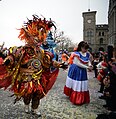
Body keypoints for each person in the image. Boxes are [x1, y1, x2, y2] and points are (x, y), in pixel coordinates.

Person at [0, 15, 67, 117]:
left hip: (38, 78)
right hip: (26, 78)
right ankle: (26, 105)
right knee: (27, 95)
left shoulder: (41, 51)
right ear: (28, 37)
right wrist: (8, 60)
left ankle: (34, 109)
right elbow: (13, 57)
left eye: (39, 38)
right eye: (35, 37)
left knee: (37, 95)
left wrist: (59, 64)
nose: (37, 40)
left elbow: (48, 62)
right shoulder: (21, 50)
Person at [64, 41, 93, 105]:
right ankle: (76, 97)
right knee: (76, 83)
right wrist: (87, 67)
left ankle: (81, 97)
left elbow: (88, 60)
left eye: (87, 49)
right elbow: (77, 63)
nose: (86, 50)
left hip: (82, 70)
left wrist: (90, 65)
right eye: (85, 48)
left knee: (82, 83)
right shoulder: (76, 54)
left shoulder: (87, 54)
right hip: (76, 70)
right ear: (81, 47)